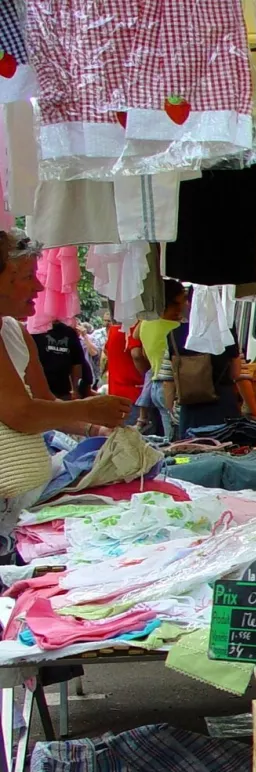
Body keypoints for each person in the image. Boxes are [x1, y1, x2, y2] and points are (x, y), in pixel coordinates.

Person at [0, 230, 132, 549]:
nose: (39, 286)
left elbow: (44, 404)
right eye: (28, 276)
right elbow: (22, 413)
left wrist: (96, 428)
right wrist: (88, 409)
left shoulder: (16, 333)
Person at [128, 280, 188, 439]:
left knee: (170, 437)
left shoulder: (145, 323)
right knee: (180, 440)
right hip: (171, 387)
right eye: (182, 300)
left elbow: (135, 337)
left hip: (155, 385)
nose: (185, 305)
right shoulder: (175, 328)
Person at [29, 319, 93, 400]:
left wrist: (75, 389)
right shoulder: (34, 331)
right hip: (39, 391)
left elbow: (77, 363)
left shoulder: (69, 332)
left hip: (63, 390)